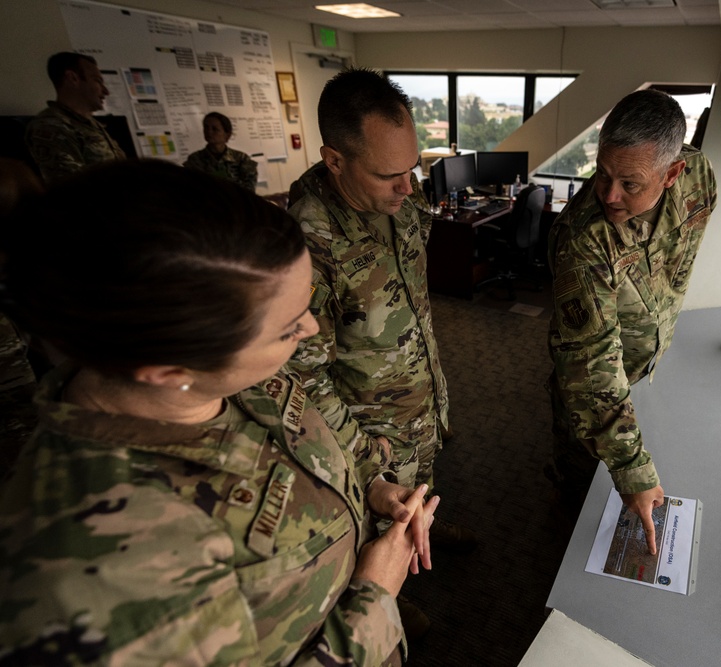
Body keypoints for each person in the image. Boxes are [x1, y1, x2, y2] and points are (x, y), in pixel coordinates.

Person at [0, 160, 437, 665]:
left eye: (306, 307)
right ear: (166, 370)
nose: (312, 332)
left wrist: (369, 484)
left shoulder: (226, 367)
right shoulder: (94, 576)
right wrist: (374, 598)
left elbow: (304, 433)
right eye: (287, 329)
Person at [286, 68, 472, 549]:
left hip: (419, 401)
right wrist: (365, 458)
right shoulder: (308, 242)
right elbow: (304, 375)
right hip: (368, 430)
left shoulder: (401, 204)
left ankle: (421, 526)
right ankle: (379, 591)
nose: (408, 187)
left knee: (422, 491)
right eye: (389, 175)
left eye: (411, 168)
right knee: (371, 527)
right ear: (335, 160)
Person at [546, 89, 717, 555]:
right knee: (581, 483)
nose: (610, 195)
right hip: (593, 384)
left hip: (644, 370)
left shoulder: (698, 176)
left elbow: (682, 263)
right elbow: (591, 368)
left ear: (672, 173)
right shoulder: (583, 240)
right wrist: (634, 471)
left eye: (630, 183)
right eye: (602, 174)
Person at [24, 52, 125, 184]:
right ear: (73, 78)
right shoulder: (50, 126)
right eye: (98, 81)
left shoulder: (91, 124)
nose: (106, 91)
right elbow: (72, 188)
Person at [184, 112, 258, 191]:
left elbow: (249, 190)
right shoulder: (195, 159)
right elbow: (191, 188)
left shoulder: (241, 159)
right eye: (206, 127)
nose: (209, 132)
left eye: (215, 129)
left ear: (227, 135)